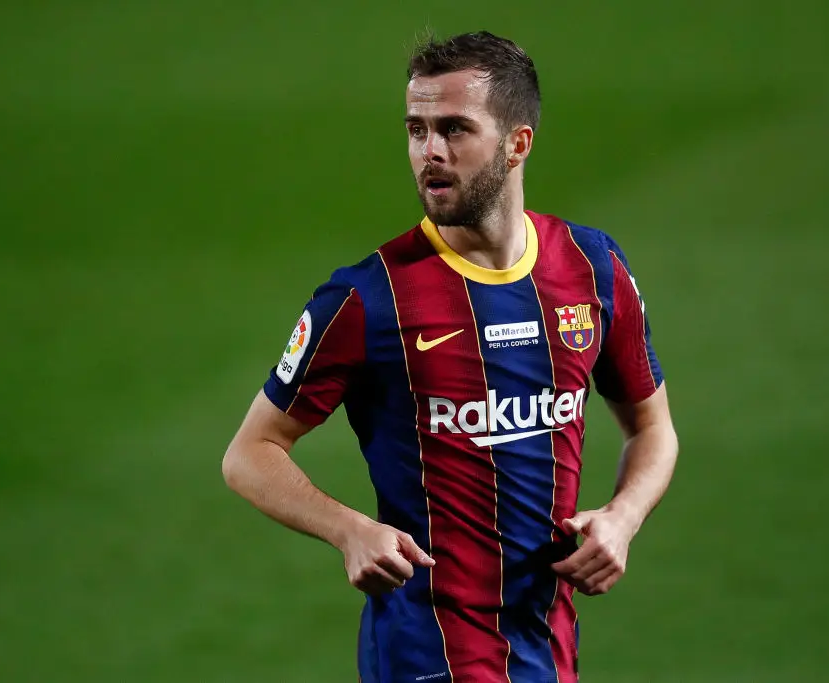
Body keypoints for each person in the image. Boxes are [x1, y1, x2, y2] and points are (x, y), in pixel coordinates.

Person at [222, 30, 679, 683]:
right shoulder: (367, 298)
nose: (429, 152)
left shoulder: (592, 268)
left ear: (518, 143)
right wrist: (349, 529)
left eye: (454, 129)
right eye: (416, 129)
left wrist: (623, 517)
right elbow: (250, 453)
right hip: (426, 647)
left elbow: (653, 426)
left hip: (544, 640)